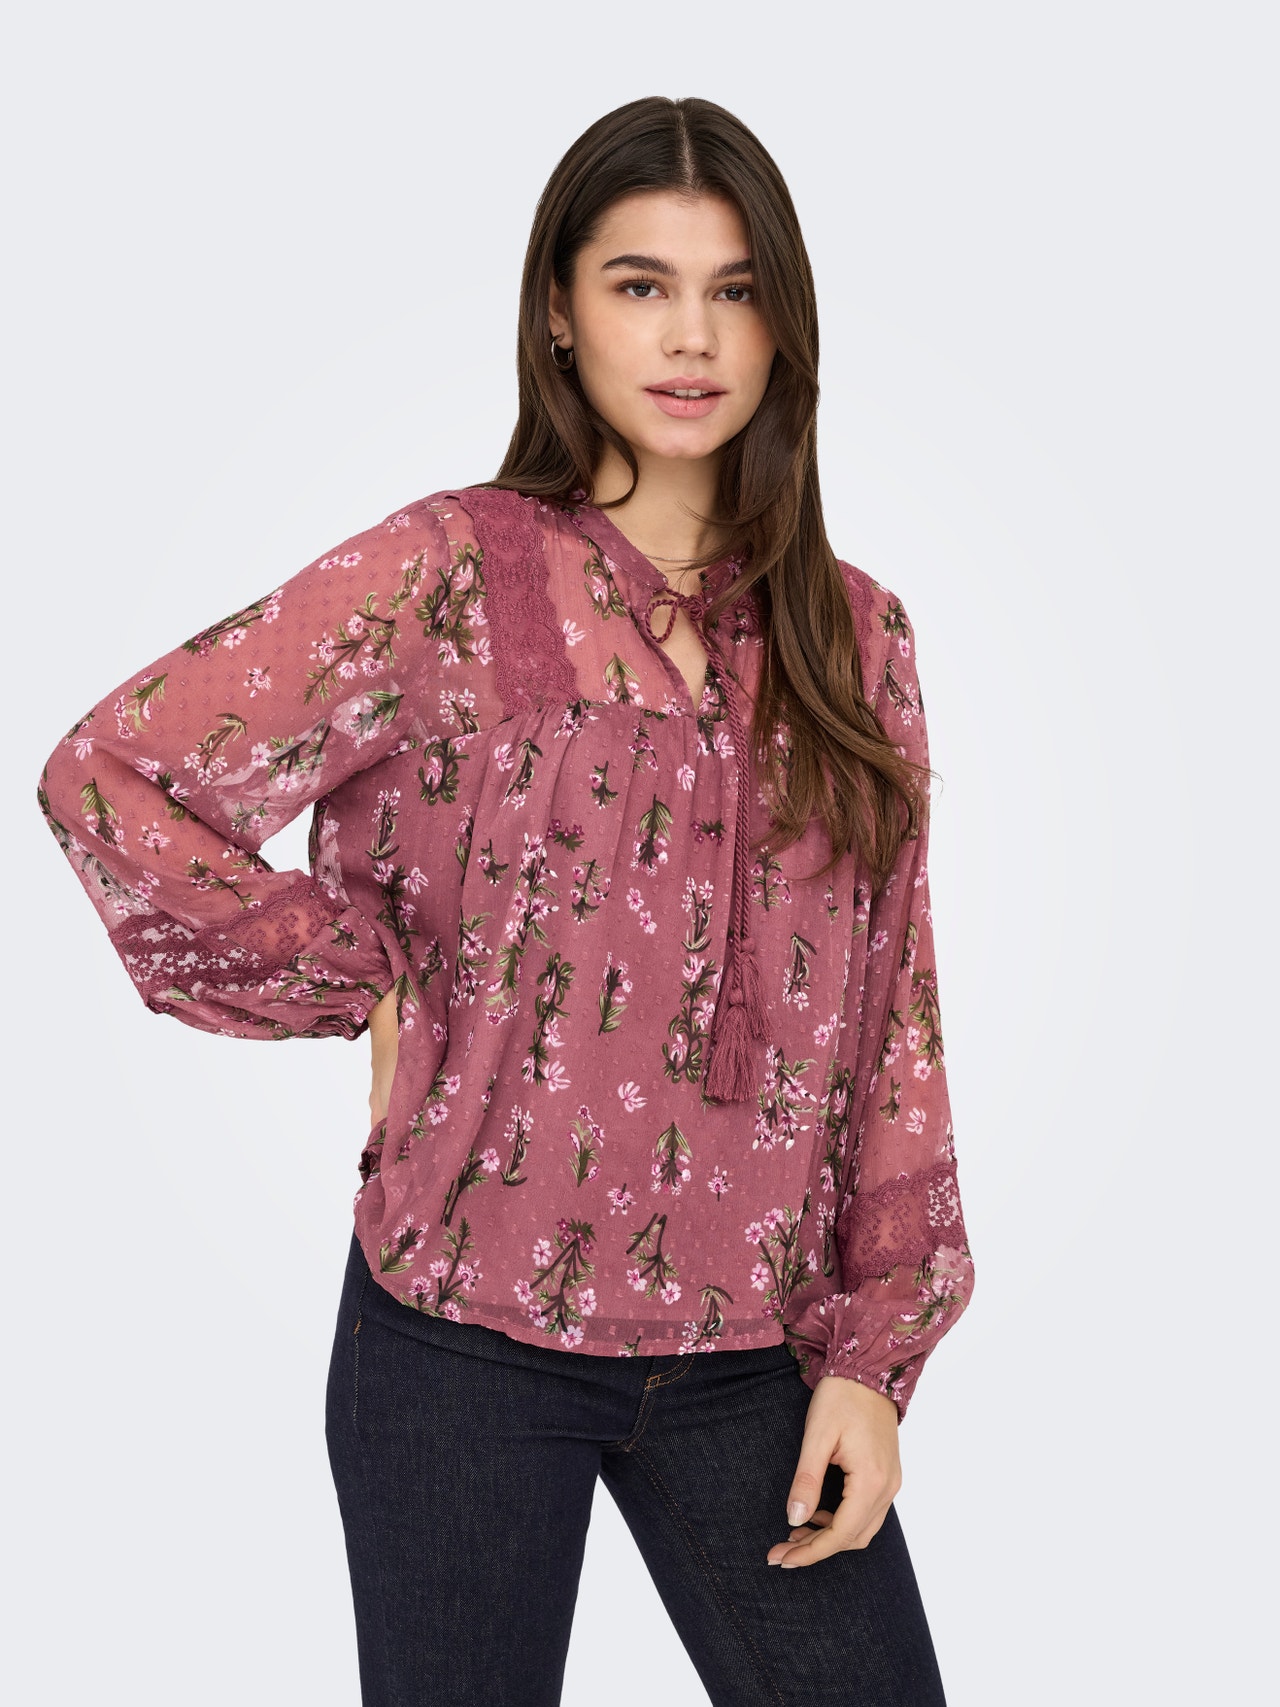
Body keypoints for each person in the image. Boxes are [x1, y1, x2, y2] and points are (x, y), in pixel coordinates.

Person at [37, 96, 975, 1707]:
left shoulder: (856, 635)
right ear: (558, 310)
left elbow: (896, 1014)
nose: (692, 337)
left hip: (755, 1356)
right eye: (640, 285)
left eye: (736, 291)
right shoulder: (446, 577)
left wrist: (874, 1364)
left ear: (785, 327)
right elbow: (117, 773)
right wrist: (349, 970)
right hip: (456, 1343)